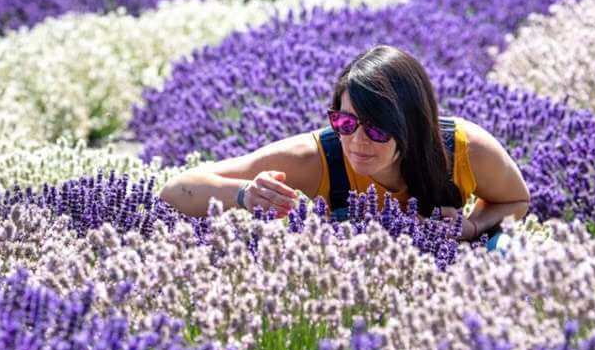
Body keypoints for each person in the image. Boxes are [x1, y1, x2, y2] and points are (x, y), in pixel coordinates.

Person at [157, 45, 530, 247]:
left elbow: (516, 201)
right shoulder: (317, 158)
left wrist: (470, 227)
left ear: (413, 127)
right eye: (346, 122)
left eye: (378, 130)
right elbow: (176, 190)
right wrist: (244, 196)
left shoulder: (465, 150)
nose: (356, 141)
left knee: (512, 252)